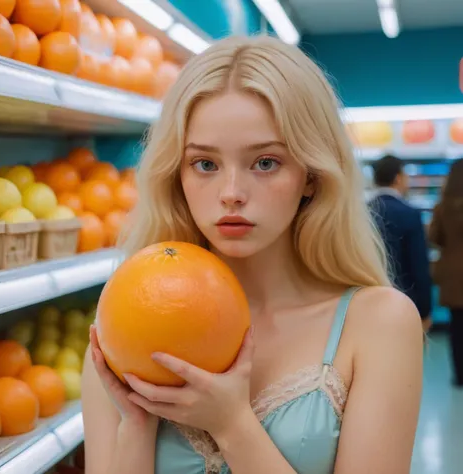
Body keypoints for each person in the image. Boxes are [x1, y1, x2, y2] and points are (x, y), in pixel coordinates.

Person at [82, 36, 423, 474]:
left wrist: (232, 425)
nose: (231, 194)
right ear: (176, 175)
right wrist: (137, 424)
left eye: (265, 162)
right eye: (205, 164)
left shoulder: (379, 323)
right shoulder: (125, 321)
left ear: (312, 176)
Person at [368, 155, 433, 332]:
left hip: (366, 302)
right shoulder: (410, 213)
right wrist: (425, 310)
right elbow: (419, 266)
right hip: (404, 302)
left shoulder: (362, 211)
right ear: (398, 178)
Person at [429, 158, 463, 387]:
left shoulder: (443, 207)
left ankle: (460, 375)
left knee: (457, 327)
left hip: (454, 276)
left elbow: (434, 239)